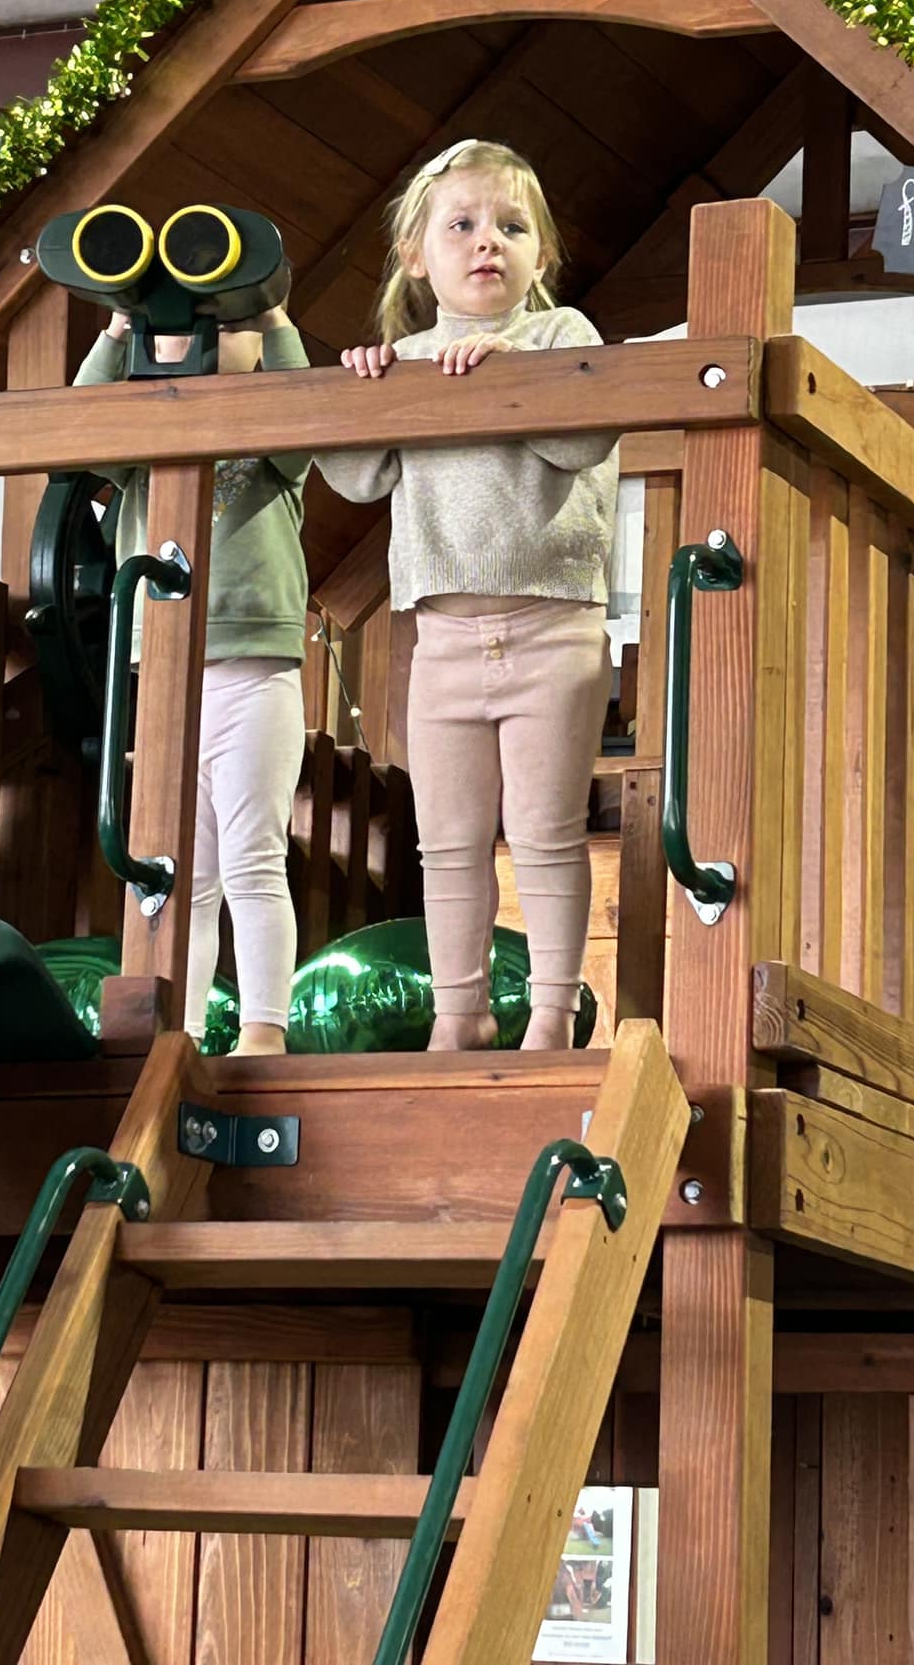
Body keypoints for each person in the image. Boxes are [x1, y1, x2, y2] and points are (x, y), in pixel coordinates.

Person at [316, 139, 617, 1052]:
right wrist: (369, 391)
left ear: (541, 256)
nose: (489, 241)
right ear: (419, 256)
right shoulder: (406, 357)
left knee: (544, 833)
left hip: (552, 626)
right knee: (445, 842)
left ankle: (555, 1015)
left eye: (512, 227)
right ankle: (461, 1015)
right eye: (463, 225)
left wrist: (509, 375)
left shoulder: (563, 337)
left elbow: (580, 446)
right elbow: (357, 475)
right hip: (442, 639)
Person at [73, 291, 310, 1056]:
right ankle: (188, 1032)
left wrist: (273, 319)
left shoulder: (274, 440)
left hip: (254, 674)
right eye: (171, 331)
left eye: (225, 328)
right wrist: (115, 329)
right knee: (181, 874)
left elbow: (308, 409)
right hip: (168, 674)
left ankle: (264, 1029)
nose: (198, 344)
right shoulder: (142, 443)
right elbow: (81, 425)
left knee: (252, 860)